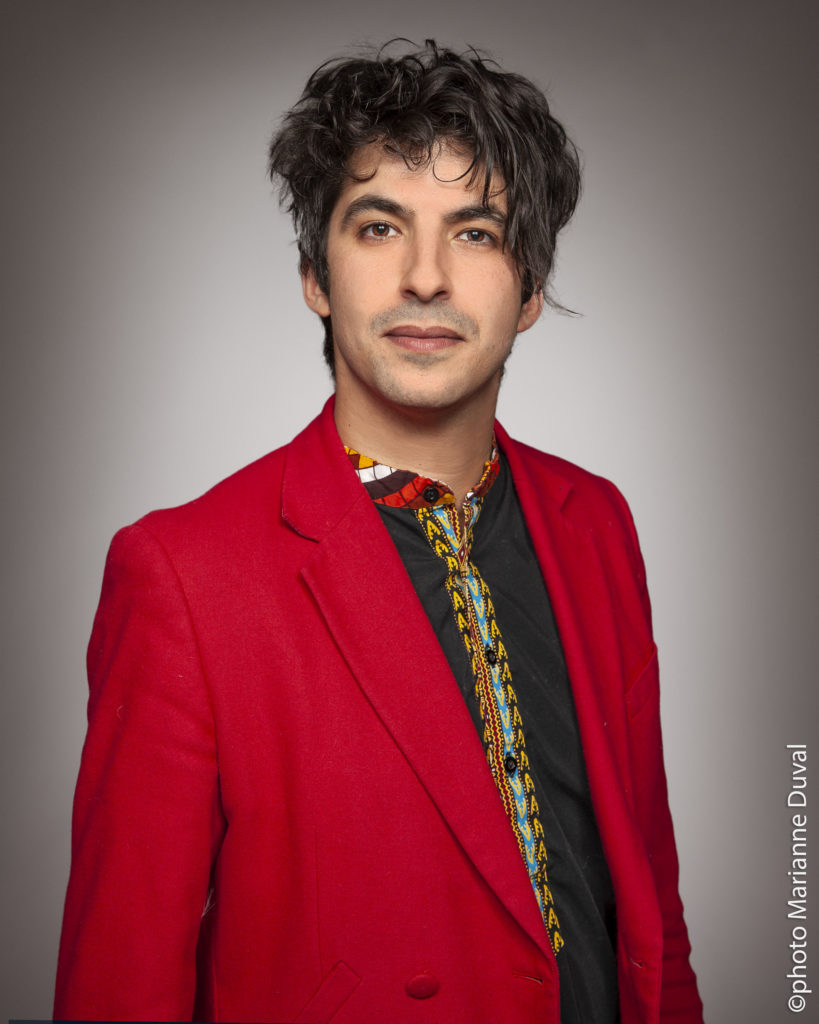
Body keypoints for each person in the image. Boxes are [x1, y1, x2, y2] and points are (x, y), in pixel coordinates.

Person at [54, 40, 703, 1024]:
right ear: (317, 274)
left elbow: (651, 908)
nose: (426, 276)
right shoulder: (183, 575)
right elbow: (121, 985)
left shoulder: (597, 522)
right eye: (378, 226)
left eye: (477, 232)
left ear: (530, 290)